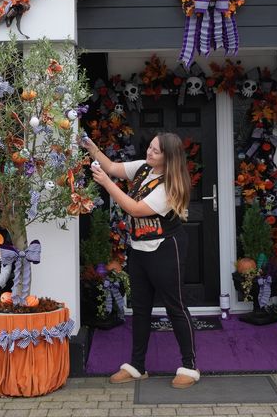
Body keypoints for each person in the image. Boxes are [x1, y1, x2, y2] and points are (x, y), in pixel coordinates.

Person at [82, 132, 200, 389]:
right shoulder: (143, 168)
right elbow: (112, 167)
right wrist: (91, 147)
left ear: (168, 158)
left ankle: (189, 367)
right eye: (149, 147)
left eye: (156, 151)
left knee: (175, 307)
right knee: (140, 308)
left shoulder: (171, 184)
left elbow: (135, 209)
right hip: (139, 248)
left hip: (166, 248)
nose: (149, 152)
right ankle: (137, 365)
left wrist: (106, 183)